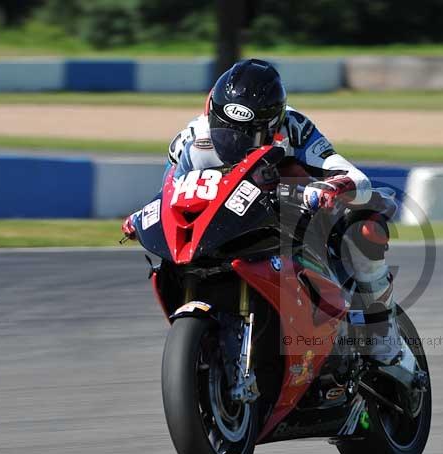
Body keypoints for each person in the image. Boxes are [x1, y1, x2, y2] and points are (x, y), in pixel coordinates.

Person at [122, 58, 413, 372]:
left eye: (250, 133)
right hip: (225, 224)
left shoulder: (296, 128)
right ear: (212, 112)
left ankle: (381, 331)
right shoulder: (189, 140)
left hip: (287, 213)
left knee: (366, 226)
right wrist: (144, 215)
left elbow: (353, 177)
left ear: (273, 124)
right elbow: (171, 189)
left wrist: (325, 189)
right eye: (227, 129)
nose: (236, 140)